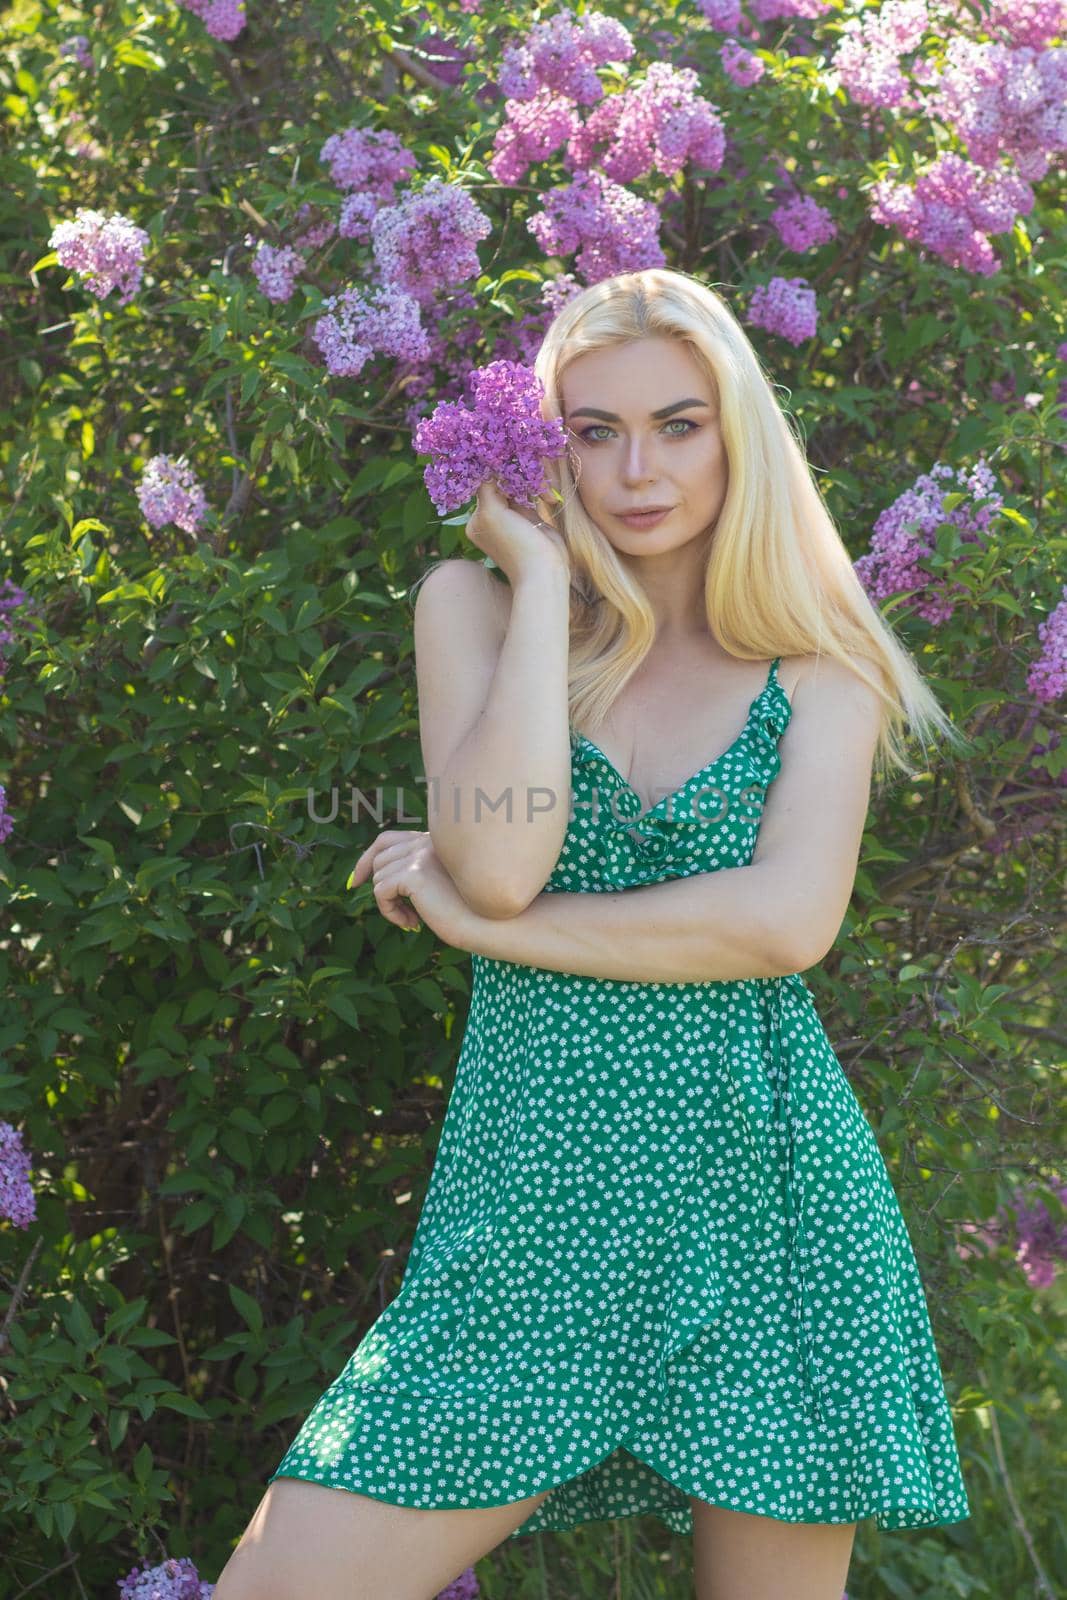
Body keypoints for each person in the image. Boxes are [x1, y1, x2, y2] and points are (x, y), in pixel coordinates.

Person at [214, 268, 972, 1600]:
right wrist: (545, 568)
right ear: (542, 442)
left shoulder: (821, 666)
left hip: (768, 1209)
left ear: (738, 434)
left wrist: (477, 924)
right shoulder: (479, 607)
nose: (640, 468)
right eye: (594, 429)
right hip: (530, 1229)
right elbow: (500, 865)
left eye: (680, 424)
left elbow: (785, 923)